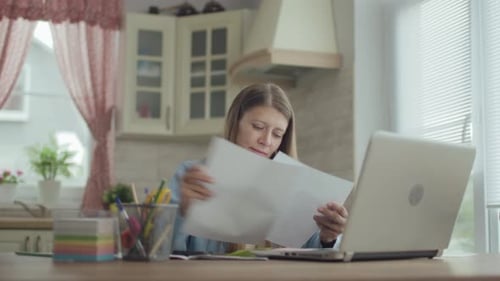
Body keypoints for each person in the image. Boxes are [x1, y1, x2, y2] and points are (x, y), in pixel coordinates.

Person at [168, 82, 349, 254]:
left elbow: (311, 252)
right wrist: (182, 213)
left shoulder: (295, 187)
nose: (267, 141)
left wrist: (329, 238)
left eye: (277, 134)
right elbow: (159, 252)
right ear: (235, 122)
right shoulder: (192, 175)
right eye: (258, 127)